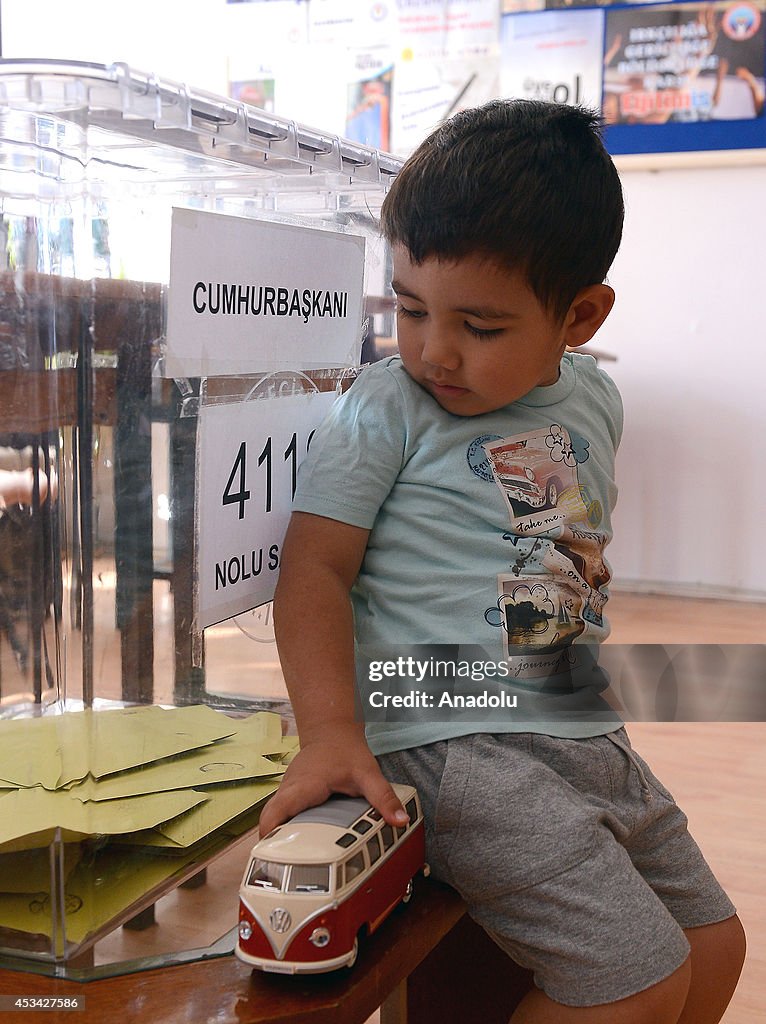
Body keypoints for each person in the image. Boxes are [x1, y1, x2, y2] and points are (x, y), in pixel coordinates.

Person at [259, 100, 745, 1022]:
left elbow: (555, 547)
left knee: (713, 947)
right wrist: (329, 733)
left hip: (578, 722)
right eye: (410, 308)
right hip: (452, 738)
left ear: (579, 316)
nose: (434, 350)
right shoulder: (386, 407)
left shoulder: (594, 398)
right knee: (632, 983)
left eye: (479, 326)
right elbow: (314, 570)